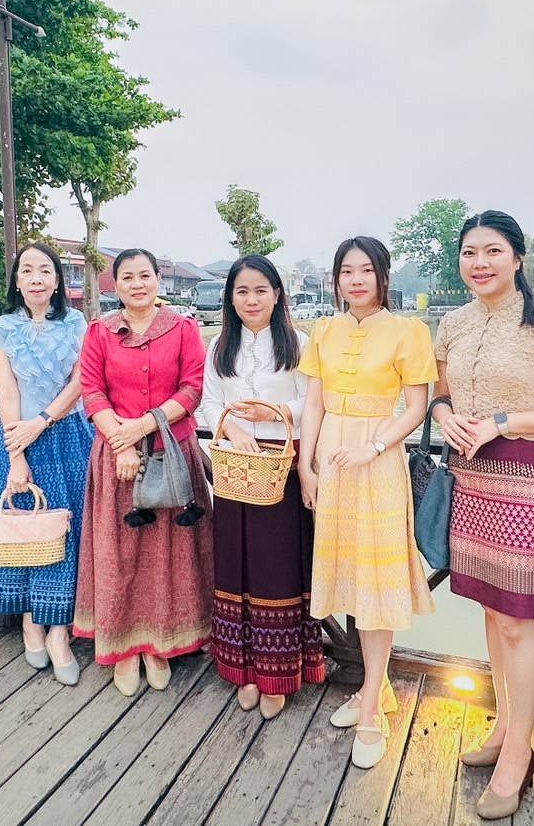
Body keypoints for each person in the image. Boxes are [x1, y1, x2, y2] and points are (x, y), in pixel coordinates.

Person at [432, 210, 534, 820]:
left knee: (520, 621)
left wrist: (503, 422)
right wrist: (444, 417)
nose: (480, 263)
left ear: (518, 257)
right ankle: (504, 724)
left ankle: (519, 753)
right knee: (493, 617)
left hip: (526, 476)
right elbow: (439, 393)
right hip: (468, 476)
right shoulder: (451, 321)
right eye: (470, 252)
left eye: (493, 251)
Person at [296, 237, 436, 768]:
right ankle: (375, 687)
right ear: (336, 279)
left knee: (376, 581)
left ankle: (373, 702)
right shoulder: (324, 330)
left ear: (382, 275)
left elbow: (417, 407)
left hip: (378, 458)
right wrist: (306, 466)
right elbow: (313, 401)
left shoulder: (408, 329)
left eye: (365, 270)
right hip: (331, 455)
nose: (355, 280)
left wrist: (375, 444)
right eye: (345, 271)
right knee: (349, 573)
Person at [75, 248, 214, 696]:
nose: (137, 284)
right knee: (119, 554)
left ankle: (160, 644)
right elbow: (92, 391)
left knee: (168, 556)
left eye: (145, 275)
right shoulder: (100, 331)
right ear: (116, 283)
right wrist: (123, 442)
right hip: (117, 456)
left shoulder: (184, 329)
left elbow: (192, 389)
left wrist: (144, 426)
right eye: (128, 277)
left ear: (157, 280)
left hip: (171, 456)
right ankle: (123, 647)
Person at [200, 255, 321, 721]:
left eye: (260, 291)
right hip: (233, 467)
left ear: (276, 294)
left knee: (276, 569)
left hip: (282, 468)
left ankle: (278, 673)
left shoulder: (299, 344)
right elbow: (211, 402)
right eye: (242, 292)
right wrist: (231, 430)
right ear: (231, 298)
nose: (251, 300)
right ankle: (242, 668)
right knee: (235, 566)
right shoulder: (219, 347)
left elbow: (312, 401)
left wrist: (274, 415)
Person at [0, 242, 94, 683]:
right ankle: (32, 620)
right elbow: (5, 393)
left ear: (57, 279)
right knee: (24, 529)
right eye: (26, 270)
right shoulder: (1, 328)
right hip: (15, 438)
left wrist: (44, 421)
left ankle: (60, 630)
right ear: (16, 280)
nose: (35, 278)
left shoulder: (75, 322)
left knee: (66, 531)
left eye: (44, 270)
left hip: (67, 434)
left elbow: (81, 380)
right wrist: (17, 454)